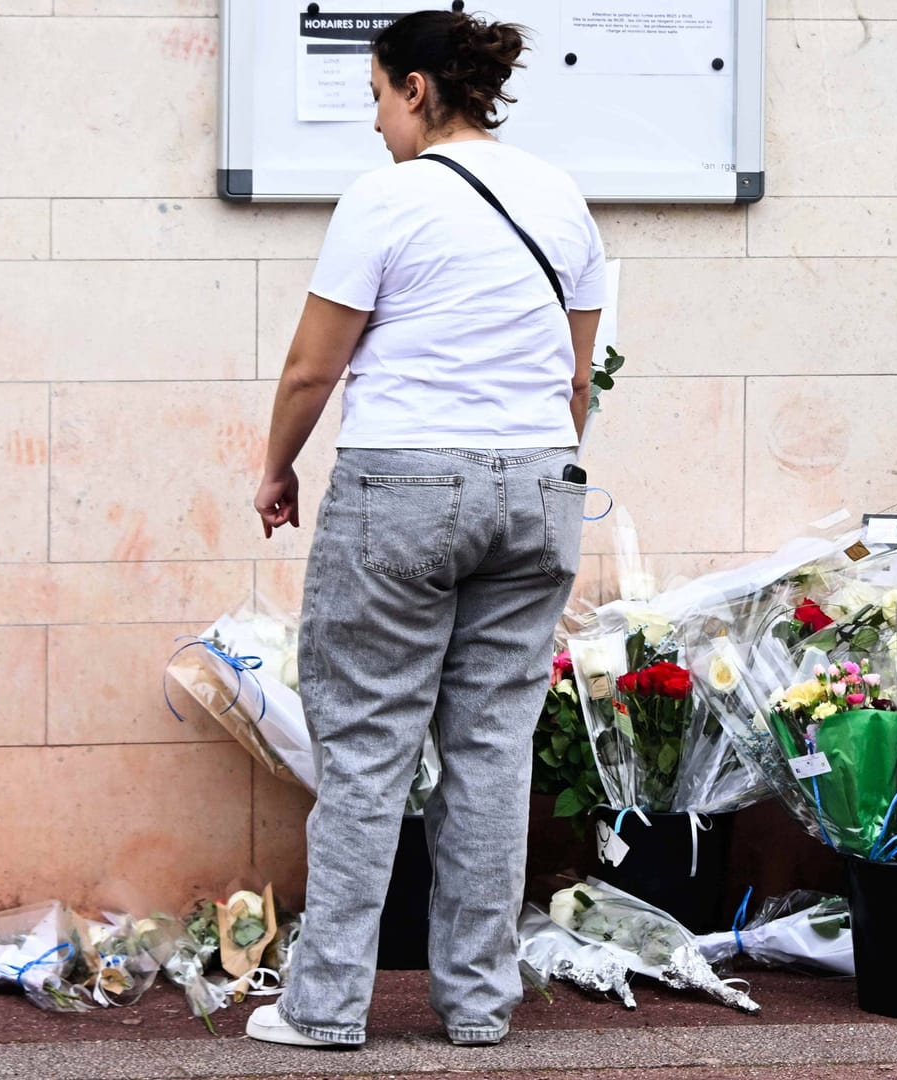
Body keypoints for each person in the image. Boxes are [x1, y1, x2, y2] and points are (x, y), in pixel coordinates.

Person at [246, 10, 605, 1049]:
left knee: (366, 752)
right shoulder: (563, 197)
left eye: (374, 97)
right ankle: (481, 1006)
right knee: (493, 755)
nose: (373, 122)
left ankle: (322, 1010)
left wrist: (277, 467)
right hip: (540, 486)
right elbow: (576, 378)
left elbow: (315, 366)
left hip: (403, 483)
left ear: (414, 87)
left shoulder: (387, 199)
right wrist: (529, 465)